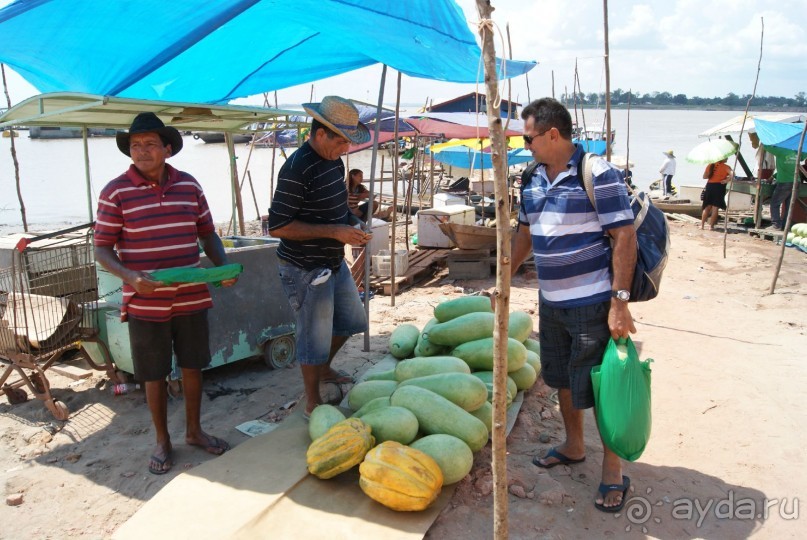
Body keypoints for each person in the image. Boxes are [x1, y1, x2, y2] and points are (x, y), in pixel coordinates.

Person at [511, 98, 637, 513]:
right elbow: (525, 235)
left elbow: (624, 237)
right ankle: (575, 445)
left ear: (552, 134)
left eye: (528, 137)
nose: (523, 144)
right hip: (551, 302)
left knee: (601, 387)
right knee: (562, 378)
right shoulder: (529, 177)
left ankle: (613, 472)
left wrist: (619, 303)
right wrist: (504, 279)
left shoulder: (597, 173)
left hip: (593, 301)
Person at [94, 112, 236, 475]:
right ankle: (162, 440)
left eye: (150, 144)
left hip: (191, 295)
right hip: (144, 299)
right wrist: (130, 276)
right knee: (153, 373)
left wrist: (222, 271)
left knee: (193, 365)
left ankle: (194, 431)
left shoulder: (189, 186)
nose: (141, 151)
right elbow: (102, 249)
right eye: (135, 145)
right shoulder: (115, 192)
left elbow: (207, 233)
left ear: (167, 149)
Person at [267, 96, 372, 418]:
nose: (345, 149)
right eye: (341, 141)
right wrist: (334, 233)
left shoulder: (332, 161)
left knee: (354, 320)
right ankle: (311, 400)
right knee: (313, 335)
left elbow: (336, 207)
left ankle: (324, 368)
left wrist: (353, 223)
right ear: (320, 133)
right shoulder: (296, 167)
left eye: (348, 143)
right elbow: (278, 226)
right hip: (303, 268)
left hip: (332, 261)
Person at [766, 146, 800, 230]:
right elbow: (786, 168)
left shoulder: (780, 150)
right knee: (789, 205)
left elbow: (766, 146)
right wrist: (773, 176)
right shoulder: (796, 152)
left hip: (784, 182)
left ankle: (776, 224)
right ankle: (786, 225)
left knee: (774, 204)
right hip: (796, 181)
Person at [700, 158, 732, 230]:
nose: (727, 158)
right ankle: (711, 227)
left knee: (707, 207)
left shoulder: (710, 165)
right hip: (719, 186)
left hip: (710, 186)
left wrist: (711, 174)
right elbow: (732, 174)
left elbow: (704, 177)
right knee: (715, 208)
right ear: (723, 158)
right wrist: (726, 180)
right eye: (726, 157)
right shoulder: (726, 167)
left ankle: (702, 226)